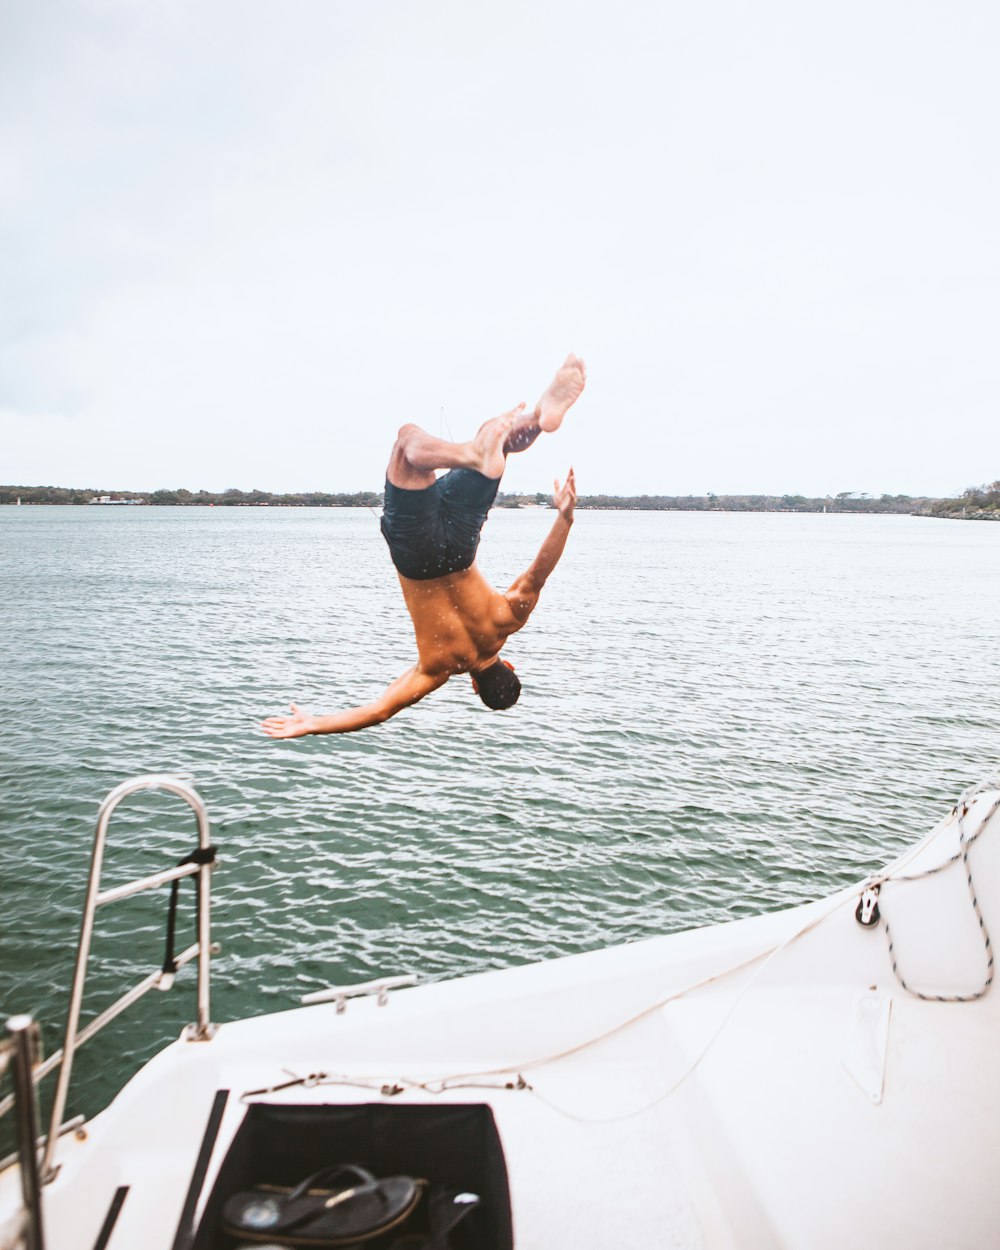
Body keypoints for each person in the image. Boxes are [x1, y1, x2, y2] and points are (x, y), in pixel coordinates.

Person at [261, 354, 586, 738]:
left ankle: (529, 423)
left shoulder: (507, 621)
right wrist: (313, 724)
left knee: (495, 445)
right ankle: (473, 452)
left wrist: (564, 516)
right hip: (417, 555)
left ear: (510, 666)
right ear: (475, 686)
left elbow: (538, 574)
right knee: (406, 444)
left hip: (462, 547)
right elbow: (381, 711)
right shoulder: (437, 668)